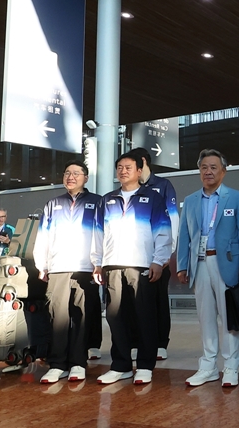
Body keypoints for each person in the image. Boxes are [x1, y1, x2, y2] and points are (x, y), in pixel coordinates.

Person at [91, 152, 172, 385]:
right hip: (113, 265)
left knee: (145, 316)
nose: (123, 171)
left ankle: (145, 365)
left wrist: (159, 260)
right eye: (119, 167)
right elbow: (98, 234)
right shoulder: (106, 200)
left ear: (139, 171)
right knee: (116, 317)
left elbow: (163, 231)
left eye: (128, 167)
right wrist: (97, 262)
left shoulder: (153, 198)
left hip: (141, 265)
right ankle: (121, 365)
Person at [177, 149, 239, 388]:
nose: (208, 172)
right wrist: (181, 265)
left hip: (227, 263)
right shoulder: (190, 201)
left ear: (223, 171)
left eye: (213, 167)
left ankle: (230, 366)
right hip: (199, 264)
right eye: (204, 168)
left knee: (229, 317)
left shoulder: (236, 198)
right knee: (205, 316)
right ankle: (208, 366)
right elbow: (184, 237)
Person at [34, 160, 102, 384]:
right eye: (67, 173)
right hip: (58, 268)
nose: (70, 177)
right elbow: (43, 235)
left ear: (86, 178)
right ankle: (57, 364)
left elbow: (103, 235)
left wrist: (99, 263)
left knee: (83, 317)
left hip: (86, 269)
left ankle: (78, 363)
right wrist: (42, 264)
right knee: (57, 317)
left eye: (76, 173)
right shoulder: (53, 204)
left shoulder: (97, 202)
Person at [129, 147, 180, 361]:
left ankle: (160, 343)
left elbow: (173, 220)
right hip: (135, 257)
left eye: (132, 165)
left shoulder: (163, 186)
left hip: (159, 257)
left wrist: (167, 254)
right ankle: (137, 341)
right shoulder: (129, 188)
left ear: (142, 163)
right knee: (135, 301)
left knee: (158, 300)